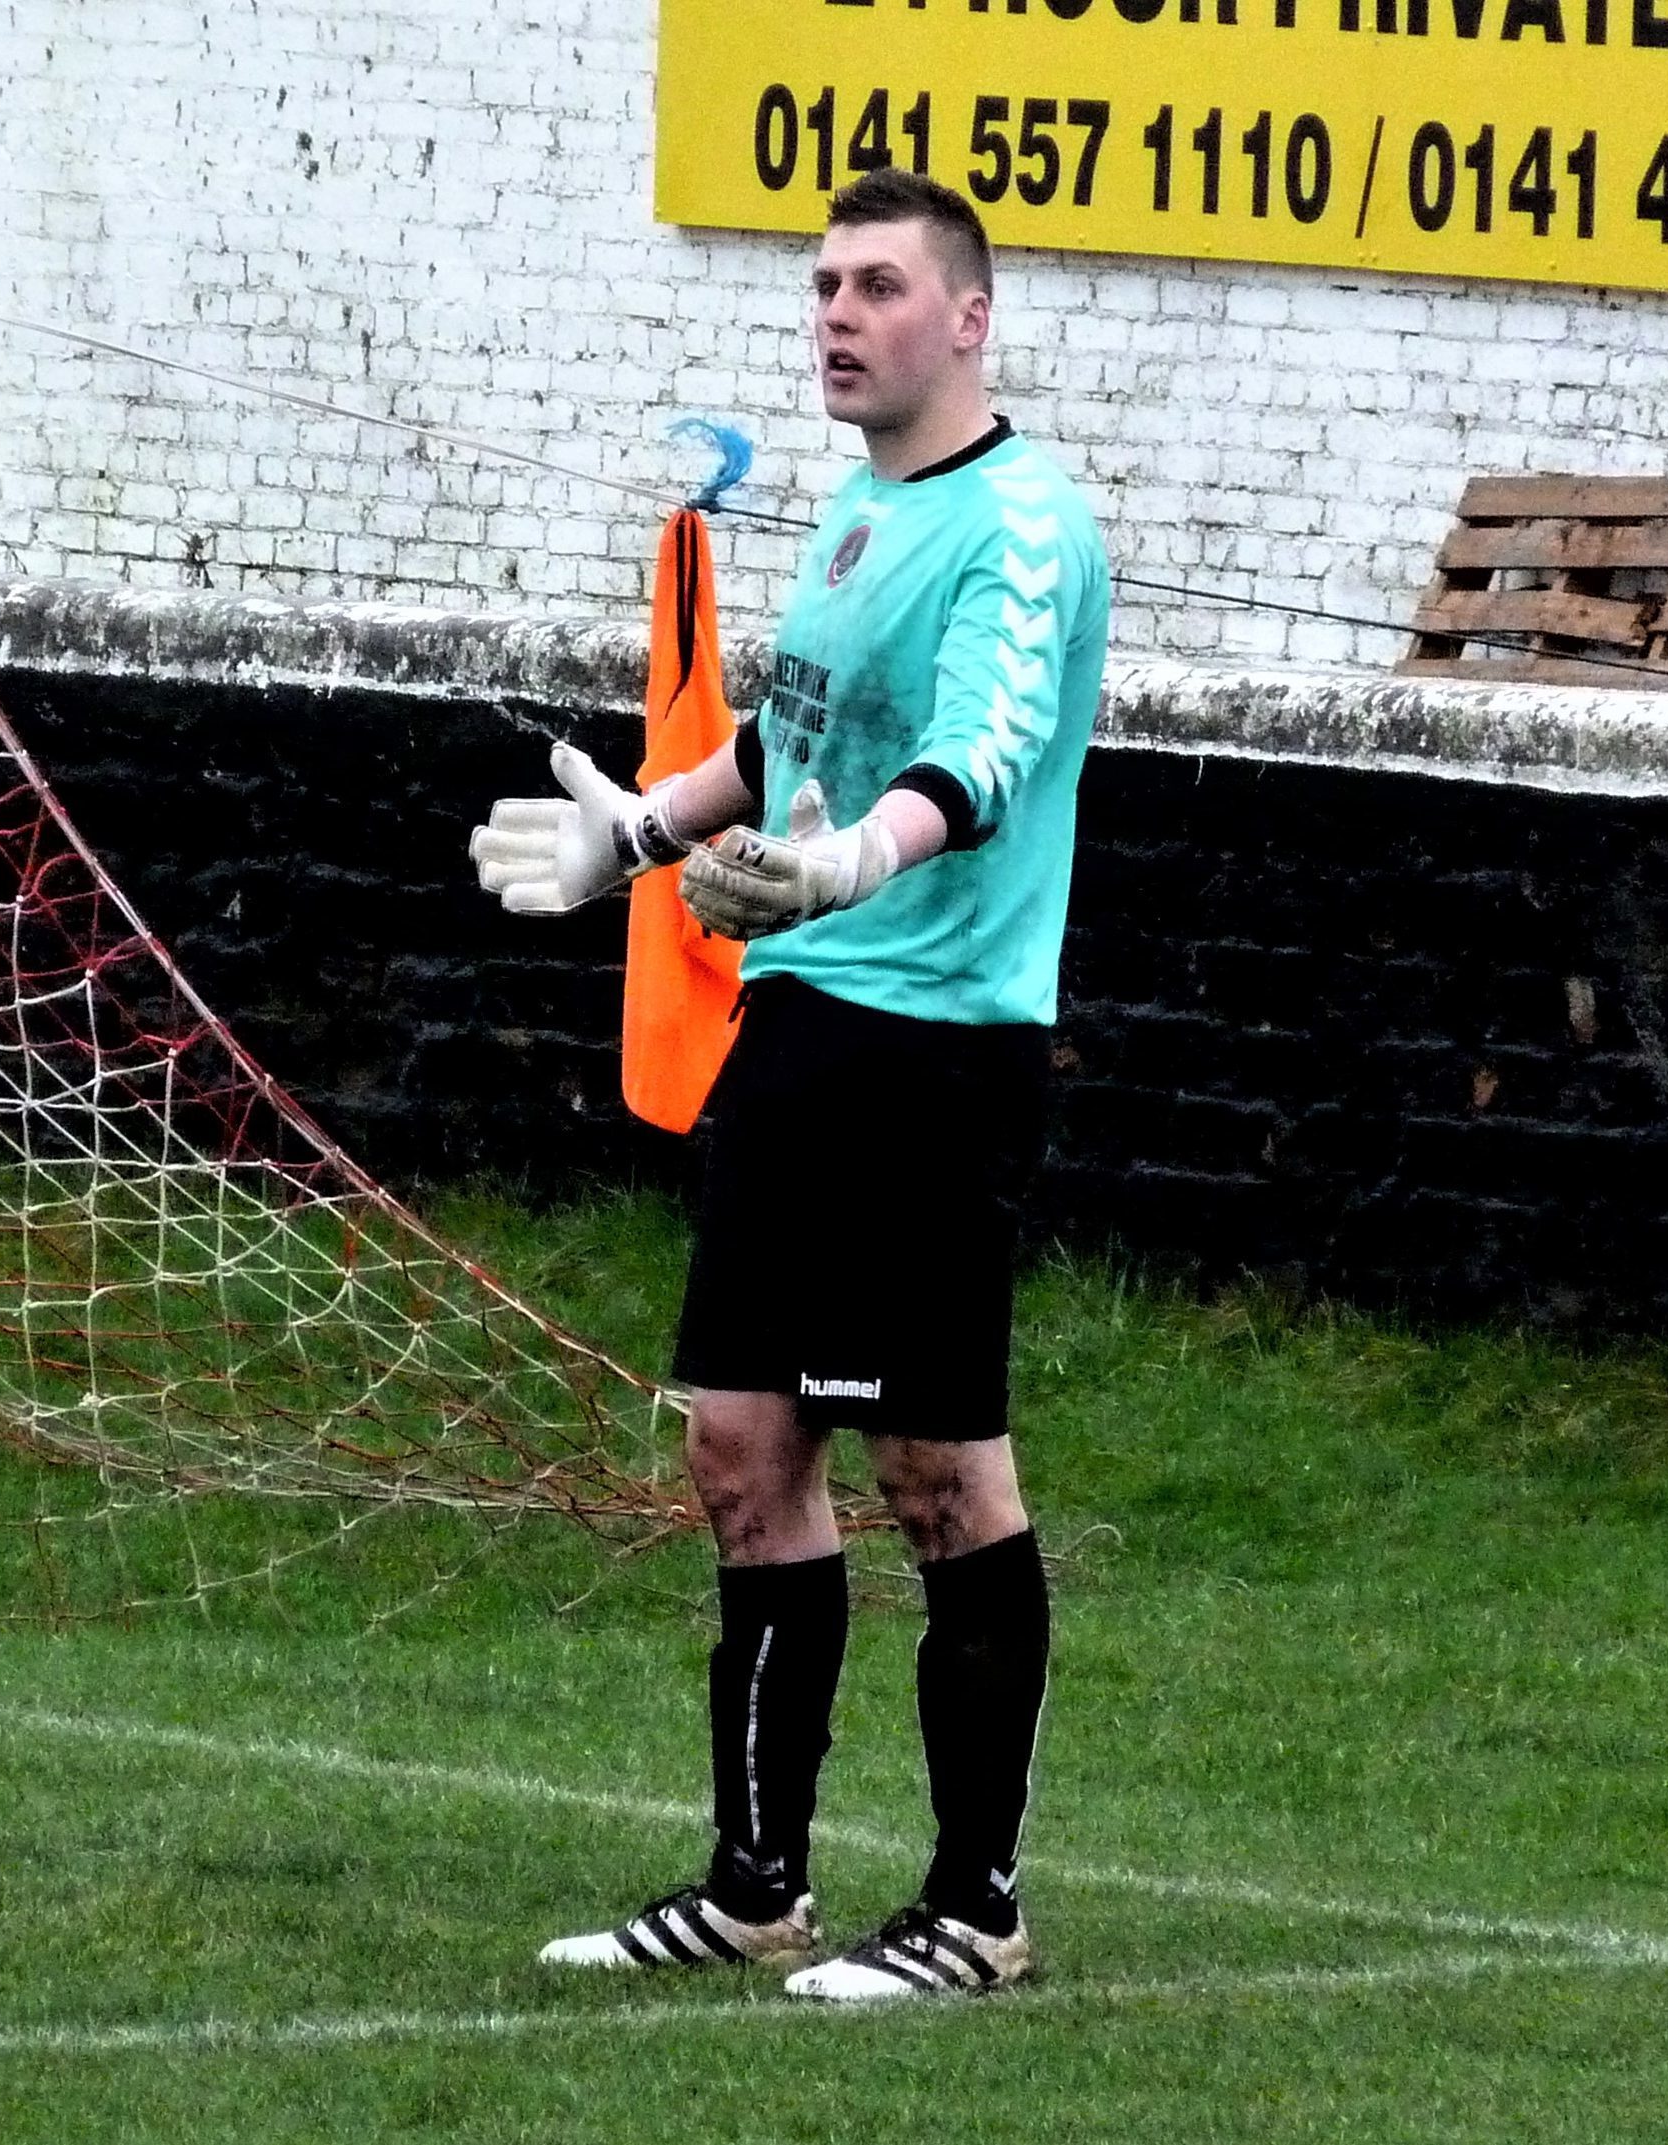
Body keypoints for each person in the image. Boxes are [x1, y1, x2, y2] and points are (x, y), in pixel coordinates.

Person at [470, 167, 1107, 2003]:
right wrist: (642, 840)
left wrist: (843, 871)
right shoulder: (853, 507)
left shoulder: (1027, 525)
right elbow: (802, 733)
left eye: (880, 287)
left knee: (936, 1470)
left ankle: (976, 1910)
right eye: (824, 284)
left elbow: (974, 759)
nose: (838, 314)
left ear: (969, 318)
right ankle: (756, 1886)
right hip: (801, 1037)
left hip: (933, 1050)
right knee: (742, 1453)